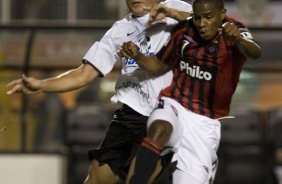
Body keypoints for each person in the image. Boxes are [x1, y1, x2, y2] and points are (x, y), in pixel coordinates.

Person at [6, 0, 192, 183]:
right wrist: (42, 85)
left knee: (137, 178)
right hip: (130, 115)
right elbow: (84, 74)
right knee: (96, 179)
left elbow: (213, 25)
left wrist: (169, 12)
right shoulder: (119, 30)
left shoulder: (178, 8)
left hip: (166, 115)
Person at [118, 0, 262, 183]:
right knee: (160, 128)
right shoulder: (184, 30)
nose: (202, 24)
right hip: (175, 104)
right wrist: (137, 55)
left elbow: (256, 52)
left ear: (222, 14)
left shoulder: (235, 30)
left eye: (208, 18)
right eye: (197, 17)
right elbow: (158, 66)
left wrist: (239, 39)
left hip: (204, 123)